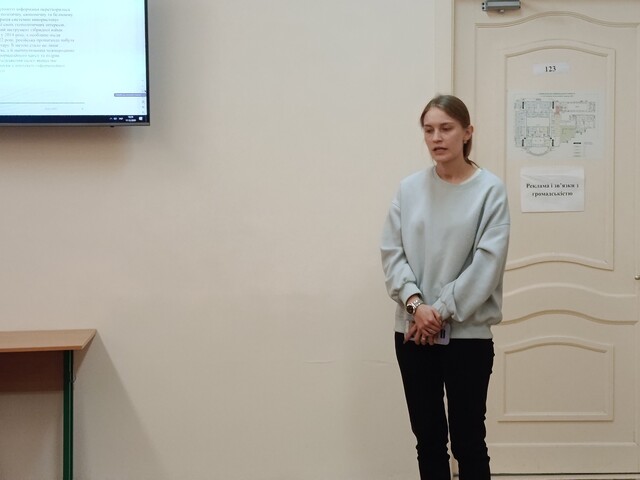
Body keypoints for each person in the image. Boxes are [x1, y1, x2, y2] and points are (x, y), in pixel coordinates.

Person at [380, 94, 510, 480]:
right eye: (429, 130)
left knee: (469, 442)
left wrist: (438, 311)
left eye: (446, 128)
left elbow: (486, 264)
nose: (436, 138)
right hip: (413, 332)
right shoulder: (408, 189)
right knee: (429, 441)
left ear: (467, 133)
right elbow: (392, 253)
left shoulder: (490, 191)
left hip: (467, 336)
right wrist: (415, 305)